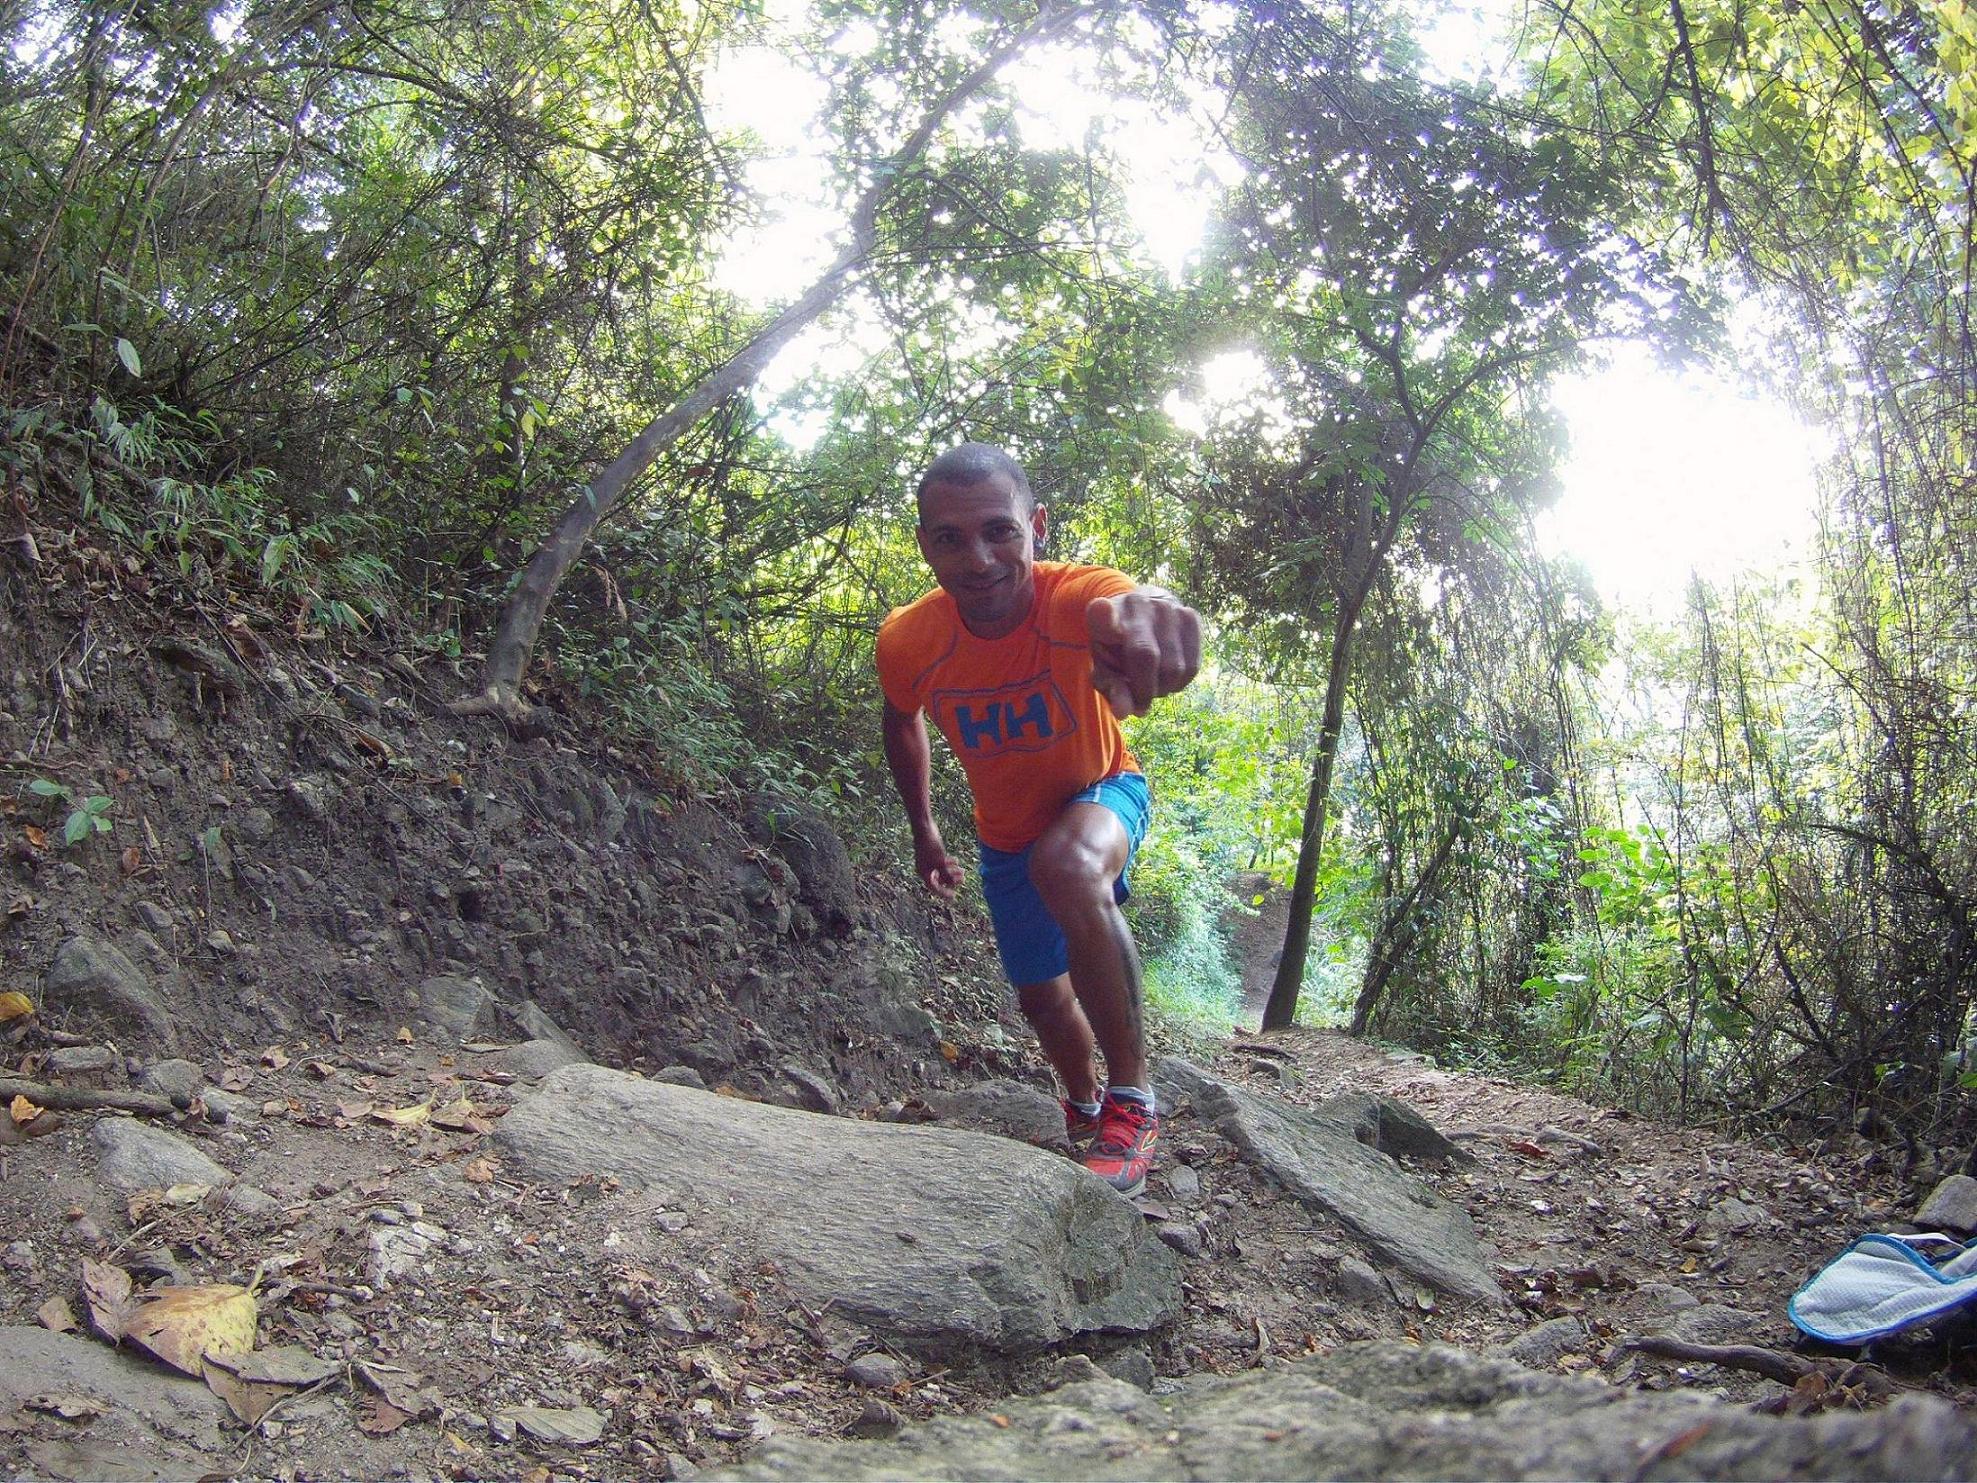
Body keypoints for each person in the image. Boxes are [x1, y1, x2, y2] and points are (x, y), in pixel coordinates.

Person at [877, 443, 1202, 1196]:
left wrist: (1154, 608)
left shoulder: (1072, 601)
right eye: (949, 538)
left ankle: (1132, 1099)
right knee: (1041, 997)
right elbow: (900, 721)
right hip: (1004, 834)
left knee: (1066, 866)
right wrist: (923, 827)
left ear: (1038, 526)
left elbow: (1128, 601)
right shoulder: (909, 641)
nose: (979, 558)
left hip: (1103, 790)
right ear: (923, 542)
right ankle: (1085, 1103)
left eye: (1001, 531)